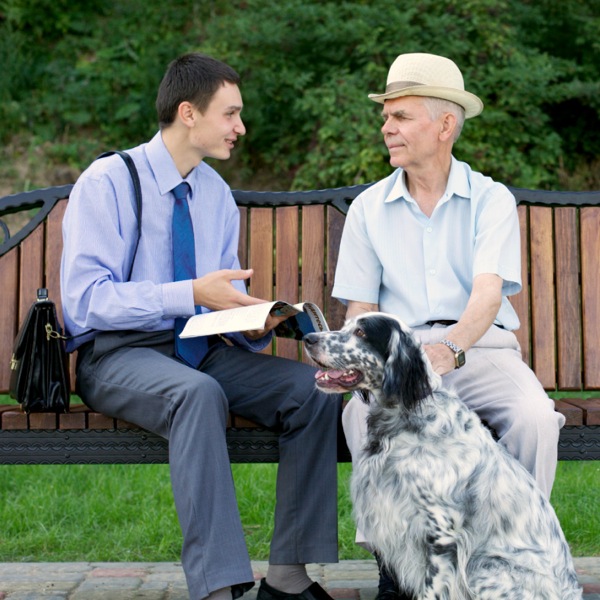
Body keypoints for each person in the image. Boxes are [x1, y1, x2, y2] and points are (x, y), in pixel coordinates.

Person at [61, 53, 341, 600]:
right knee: (197, 394)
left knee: (313, 391)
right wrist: (191, 294)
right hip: (117, 356)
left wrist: (256, 319)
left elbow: (213, 303)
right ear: (188, 113)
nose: (241, 127)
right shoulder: (109, 181)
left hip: (199, 346)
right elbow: (85, 303)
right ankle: (218, 588)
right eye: (231, 114)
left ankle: (287, 578)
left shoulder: (213, 192)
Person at [332, 52, 565, 600]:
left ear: (445, 125)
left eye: (402, 116)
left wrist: (448, 351)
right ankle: (395, 565)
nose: (387, 127)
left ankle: (515, 549)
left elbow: (488, 295)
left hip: (480, 348)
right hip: (402, 357)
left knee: (534, 417)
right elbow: (361, 311)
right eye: (386, 116)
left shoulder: (490, 199)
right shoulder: (368, 208)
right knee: (359, 417)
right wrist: (364, 367)